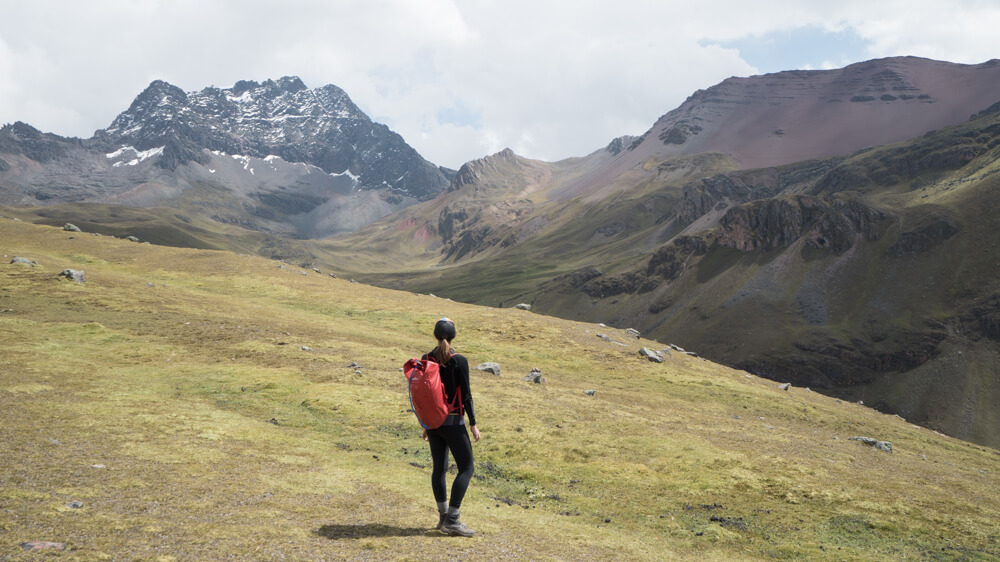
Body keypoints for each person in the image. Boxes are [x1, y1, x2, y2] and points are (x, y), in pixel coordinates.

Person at [421, 317, 481, 537]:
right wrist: (473, 424)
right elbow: (466, 395)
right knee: (466, 467)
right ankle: (452, 520)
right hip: (454, 422)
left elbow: (425, 394)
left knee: (439, 468)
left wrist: (425, 424)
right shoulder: (459, 360)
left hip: (433, 423)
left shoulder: (426, 358)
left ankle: (443, 517)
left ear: (436, 336)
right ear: (453, 336)